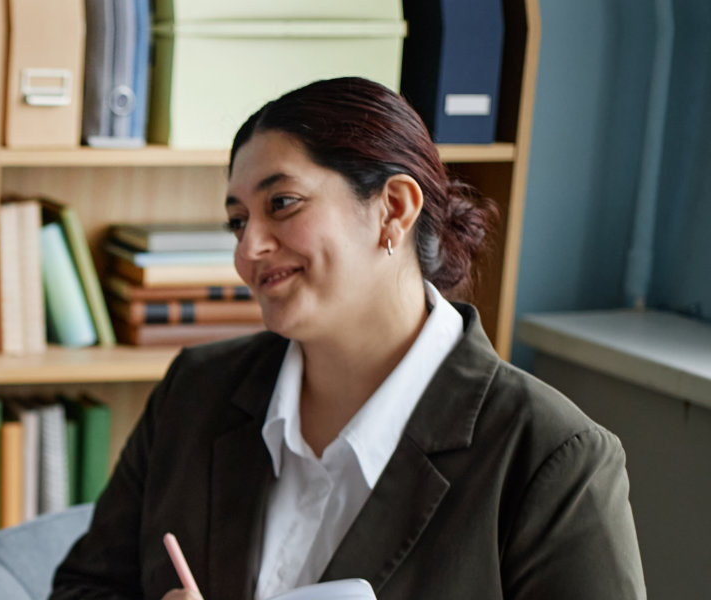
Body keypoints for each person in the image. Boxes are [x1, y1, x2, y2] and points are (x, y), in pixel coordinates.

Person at [49, 78, 644, 599]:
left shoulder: (553, 459)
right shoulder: (197, 389)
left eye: (281, 204)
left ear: (393, 209)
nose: (246, 250)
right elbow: (84, 588)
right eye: (237, 221)